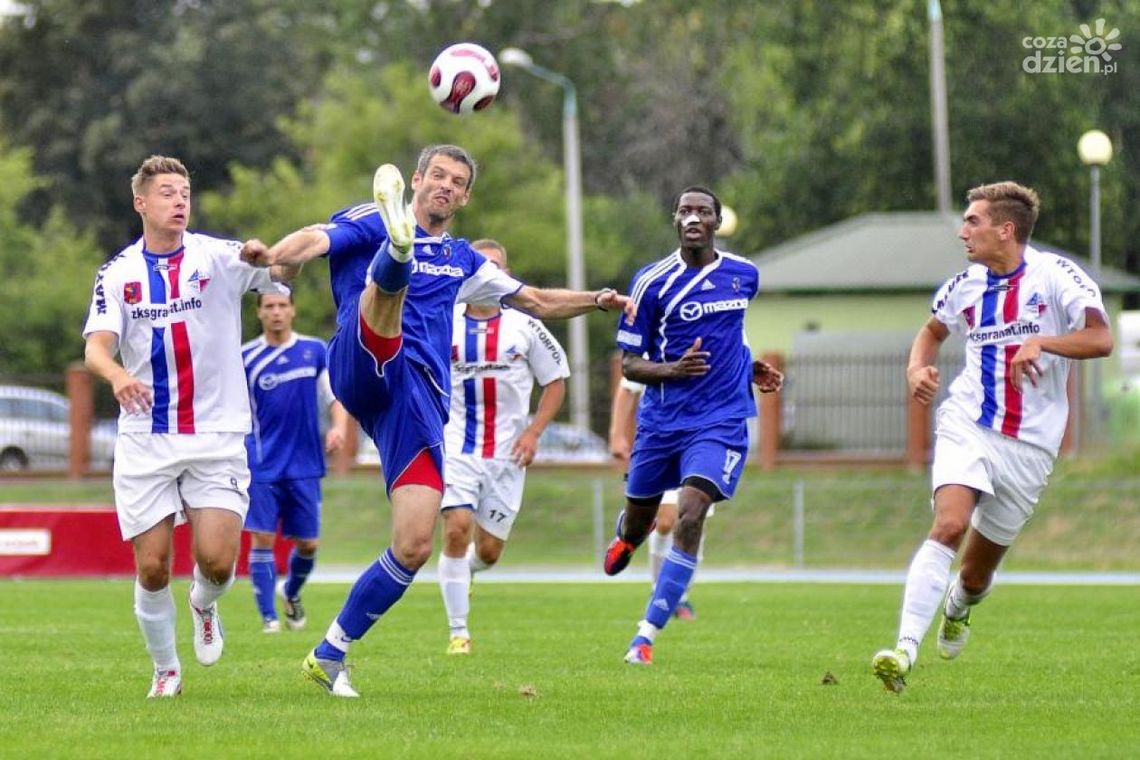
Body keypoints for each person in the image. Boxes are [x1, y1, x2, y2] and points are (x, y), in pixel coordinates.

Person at [240, 144, 633, 697]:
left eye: (458, 182)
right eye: (438, 176)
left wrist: (599, 299)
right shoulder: (370, 218)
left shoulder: (465, 260)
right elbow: (312, 240)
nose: (446, 186)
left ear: (466, 196)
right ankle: (397, 256)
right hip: (362, 358)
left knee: (414, 546)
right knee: (385, 296)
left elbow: (538, 302)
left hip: (417, 403)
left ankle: (330, 653)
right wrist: (274, 257)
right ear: (417, 180)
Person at [871, 181, 1113, 693]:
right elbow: (932, 331)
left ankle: (958, 608)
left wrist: (1042, 341)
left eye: (973, 222)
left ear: (1006, 229)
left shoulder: (1057, 277)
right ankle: (904, 652)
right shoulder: (965, 285)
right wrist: (917, 368)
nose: (963, 231)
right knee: (949, 525)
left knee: (976, 577)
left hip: (1030, 446)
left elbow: (1101, 338)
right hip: (968, 424)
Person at [82, 155, 296, 698]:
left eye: (184, 193)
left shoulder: (218, 257)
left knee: (218, 563)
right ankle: (166, 670)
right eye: (167, 193)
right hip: (146, 436)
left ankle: (204, 604)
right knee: (153, 568)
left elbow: (280, 272)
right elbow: (96, 349)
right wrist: (117, 377)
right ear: (141, 203)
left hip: (217, 433)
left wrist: (266, 256)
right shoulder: (119, 273)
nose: (180, 201)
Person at [602, 185, 783, 665]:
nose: (693, 217)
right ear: (675, 220)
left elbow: (733, 335)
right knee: (643, 522)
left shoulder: (745, 275)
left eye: (703, 210)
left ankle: (646, 634)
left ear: (717, 220)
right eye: (685, 210)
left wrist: (749, 368)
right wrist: (672, 371)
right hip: (663, 422)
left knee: (689, 513)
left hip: (721, 420)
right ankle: (625, 535)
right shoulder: (651, 283)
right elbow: (630, 366)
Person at [436, 239, 569, 655]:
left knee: (488, 552)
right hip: (456, 448)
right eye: (483, 267)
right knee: (456, 531)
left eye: (498, 267)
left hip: (507, 455)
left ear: (507, 277)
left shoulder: (526, 326)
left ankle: (467, 572)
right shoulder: (444, 322)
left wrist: (533, 433)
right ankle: (459, 632)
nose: (491, 274)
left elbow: (556, 381)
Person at [241, 289, 350, 633]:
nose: (276, 312)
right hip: (261, 462)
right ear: (259, 313)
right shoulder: (245, 358)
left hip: (305, 463)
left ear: (293, 310)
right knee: (261, 537)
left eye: (282, 305)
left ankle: (290, 591)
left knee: (308, 544)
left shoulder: (314, 351)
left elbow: (335, 396)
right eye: (269, 306)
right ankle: (269, 618)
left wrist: (338, 427)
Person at [609, 377, 707, 620]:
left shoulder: (719, 343)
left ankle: (680, 597)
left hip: (701, 445)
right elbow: (627, 387)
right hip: (661, 445)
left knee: (693, 519)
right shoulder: (659, 343)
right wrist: (617, 434)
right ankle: (658, 591)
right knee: (665, 521)